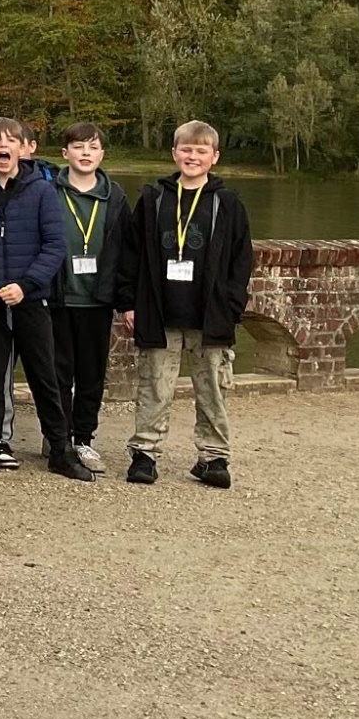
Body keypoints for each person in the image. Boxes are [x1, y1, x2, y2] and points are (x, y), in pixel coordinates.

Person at [0, 118, 94, 481]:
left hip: (29, 299)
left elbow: (54, 246)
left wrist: (27, 285)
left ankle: (60, 448)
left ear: (23, 148)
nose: (3, 146)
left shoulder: (41, 191)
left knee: (45, 375)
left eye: (10, 140)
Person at [123, 120, 252, 489]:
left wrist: (231, 304)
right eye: (186, 149)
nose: (192, 156)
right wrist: (129, 303)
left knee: (212, 386)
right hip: (159, 310)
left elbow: (242, 260)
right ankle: (145, 454)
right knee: (154, 385)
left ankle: (213, 457)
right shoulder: (153, 199)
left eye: (200, 151)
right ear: (174, 153)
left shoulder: (227, 203)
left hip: (209, 314)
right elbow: (132, 254)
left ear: (214, 157)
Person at [50, 121, 133, 475]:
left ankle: (84, 438)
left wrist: (125, 298)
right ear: (64, 153)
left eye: (93, 147)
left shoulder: (115, 197)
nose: (86, 153)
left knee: (91, 374)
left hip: (97, 300)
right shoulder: (48, 191)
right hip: (57, 296)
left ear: (102, 154)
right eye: (79, 147)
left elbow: (128, 251)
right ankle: (57, 438)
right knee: (57, 372)